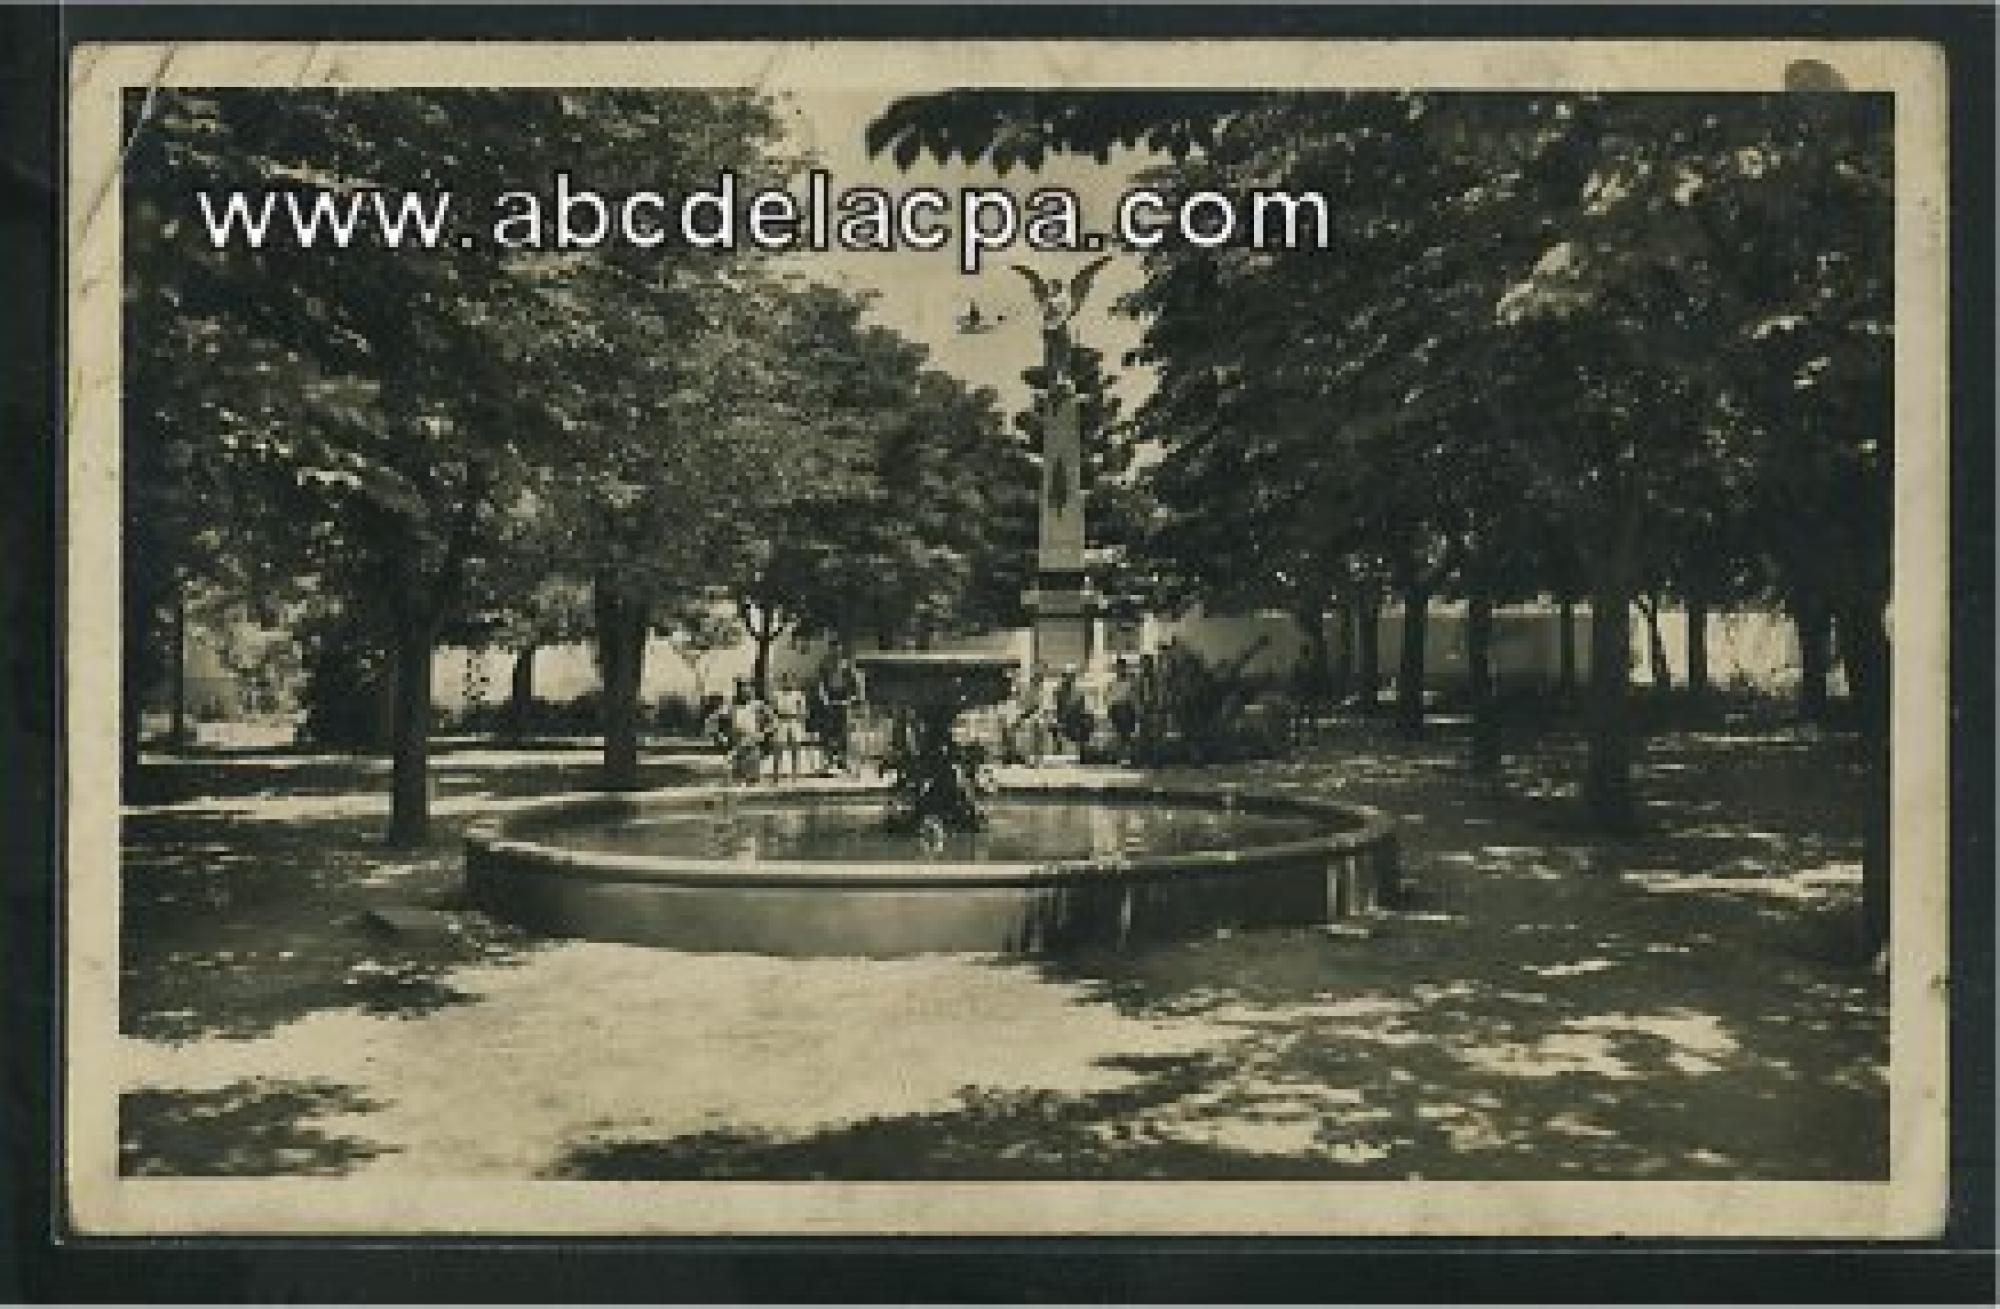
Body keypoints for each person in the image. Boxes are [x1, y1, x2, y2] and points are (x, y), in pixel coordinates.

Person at [724, 679, 770, 786]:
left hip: (752, 740)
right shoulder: (732, 706)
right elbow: (726, 723)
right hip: (738, 741)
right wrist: (728, 737)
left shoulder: (757, 705)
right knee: (737, 773)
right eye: (742, 689)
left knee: (752, 773)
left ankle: (750, 789)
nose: (745, 691)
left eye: (747, 688)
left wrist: (764, 733)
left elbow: (771, 718)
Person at [769, 673, 809, 781]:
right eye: (786, 680)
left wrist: (799, 719)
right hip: (782, 721)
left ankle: (794, 773)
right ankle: (775, 774)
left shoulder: (798, 695)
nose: (788, 683)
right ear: (782, 681)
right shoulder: (777, 694)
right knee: (778, 747)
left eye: (791, 680)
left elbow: (803, 710)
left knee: (795, 748)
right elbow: (772, 710)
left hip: (794, 721)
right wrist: (774, 722)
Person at [1054, 663, 1093, 759]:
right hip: (1064, 721)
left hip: (1075, 720)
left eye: (1070, 677)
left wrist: (1085, 717)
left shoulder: (1079, 693)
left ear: (1073, 678)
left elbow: (1083, 709)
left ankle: (1083, 752)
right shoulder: (1059, 692)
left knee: (1086, 722)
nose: (1067, 679)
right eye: (1066, 676)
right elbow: (1057, 710)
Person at [1106, 657, 1140, 761]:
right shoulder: (1112, 683)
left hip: (1126, 709)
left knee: (1126, 733)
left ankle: (1127, 754)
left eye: (1122, 668)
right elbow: (1110, 699)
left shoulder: (1130, 682)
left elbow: (1133, 698)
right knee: (1119, 733)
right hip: (1116, 709)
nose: (1120, 670)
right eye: (1118, 668)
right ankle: (1120, 754)